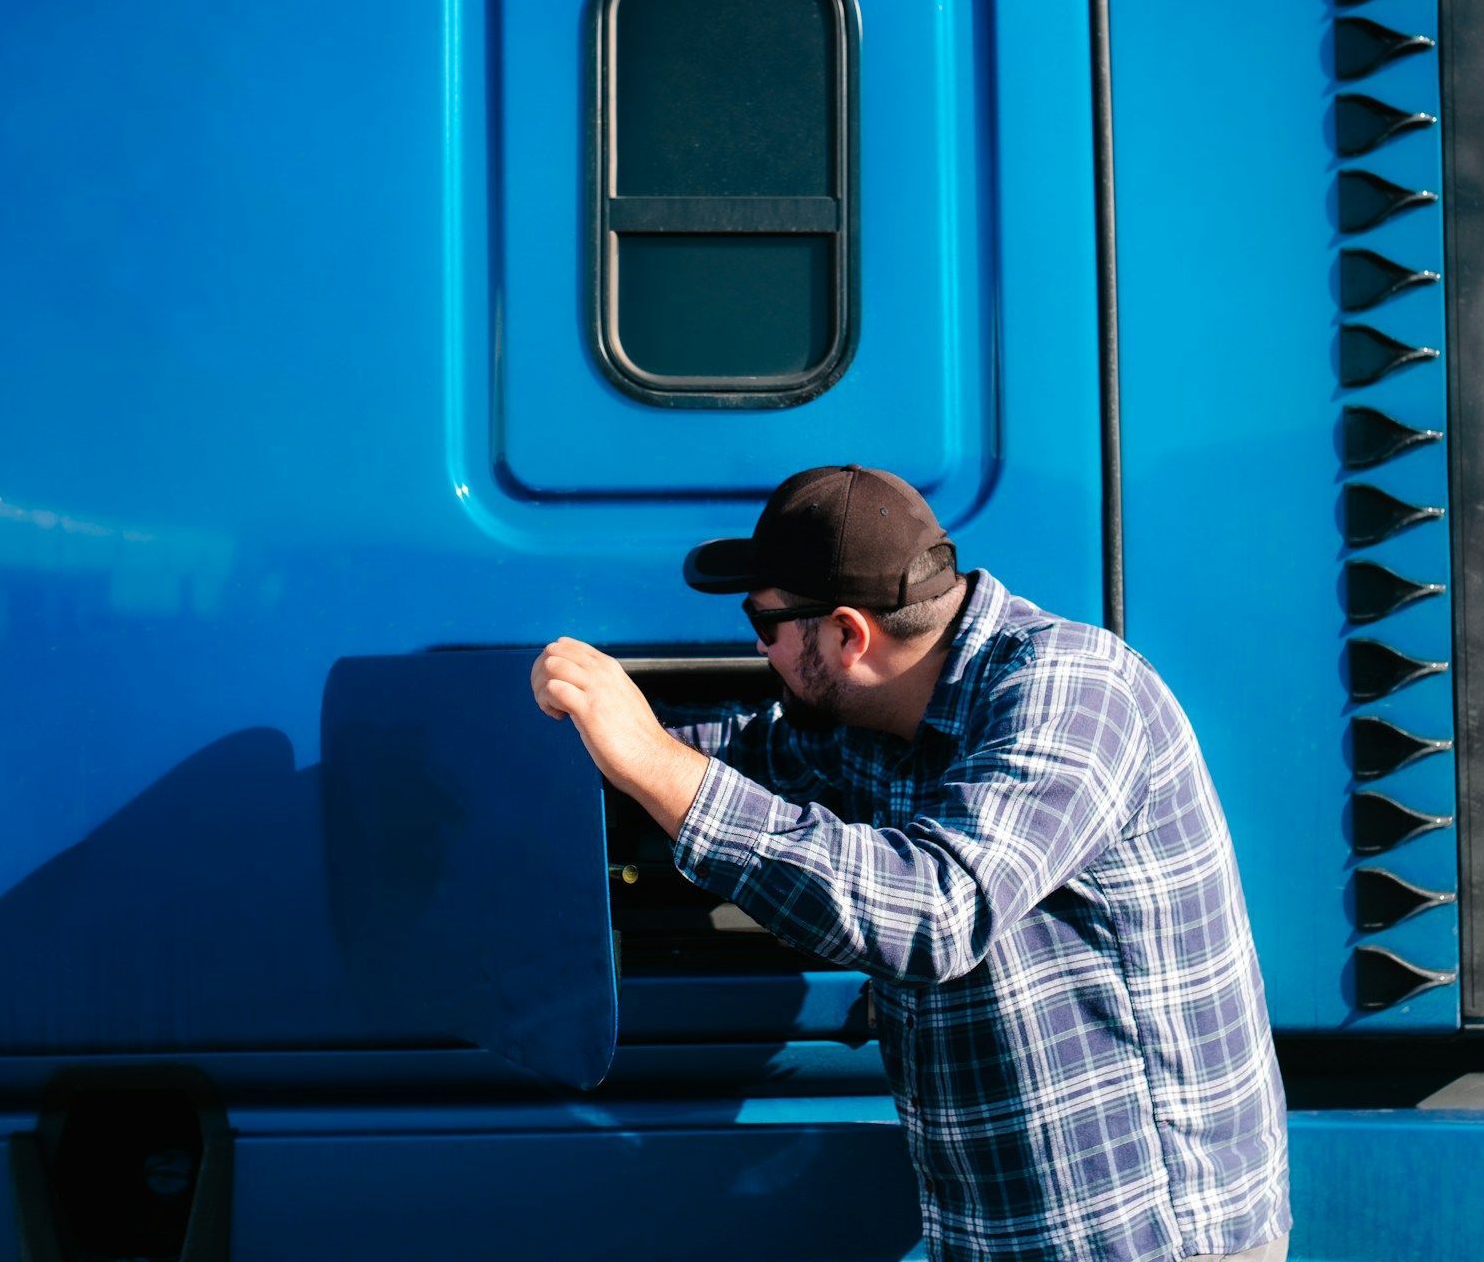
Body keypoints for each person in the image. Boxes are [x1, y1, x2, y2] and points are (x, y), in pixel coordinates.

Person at [530, 464, 1290, 1262]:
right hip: (1016, 1231)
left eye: (766, 623)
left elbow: (936, 911)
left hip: (1141, 1236)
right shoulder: (877, 710)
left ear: (850, 634)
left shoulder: (1075, 692)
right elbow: (749, 755)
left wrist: (651, 761)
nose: (756, 648)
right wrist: (575, 737)